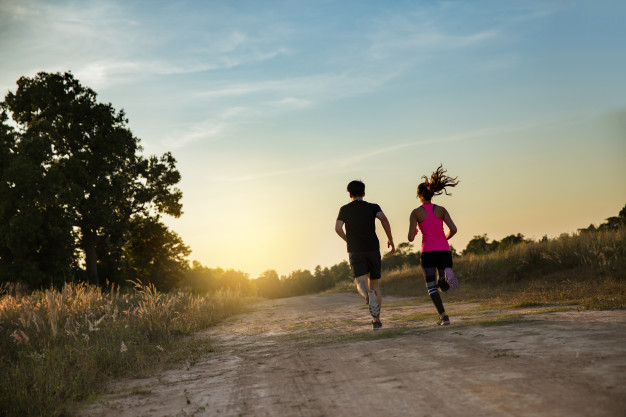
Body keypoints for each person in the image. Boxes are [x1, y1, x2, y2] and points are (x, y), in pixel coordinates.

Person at [336, 180, 395, 330]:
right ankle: (377, 320)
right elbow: (384, 219)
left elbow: (337, 228)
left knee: (361, 282)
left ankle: (368, 297)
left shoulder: (344, 209)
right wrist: (390, 239)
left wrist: (347, 239)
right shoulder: (373, 207)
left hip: (355, 250)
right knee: (374, 285)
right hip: (373, 249)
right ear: (364, 193)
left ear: (349, 194)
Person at [408, 165, 459, 326]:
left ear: (418, 195)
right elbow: (454, 229)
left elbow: (410, 238)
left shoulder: (416, 213)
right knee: (441, 282)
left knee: (431, 287)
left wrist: (416, 232)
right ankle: (446, 273)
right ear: (432, 193)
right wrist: (444, 238)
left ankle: (444, 316)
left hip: (428, 252)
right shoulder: (442, 209)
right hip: (444, 250)